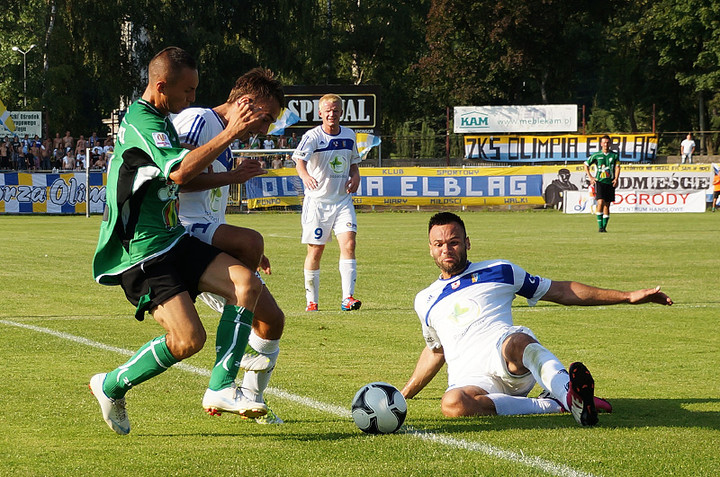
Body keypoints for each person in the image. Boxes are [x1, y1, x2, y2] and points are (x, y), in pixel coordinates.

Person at [89, 47, 272, 435]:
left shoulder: (161, 119)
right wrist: (231, 132)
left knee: (247, 283)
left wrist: (228, 170)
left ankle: (221, 387)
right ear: (161, 86)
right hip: (142, 251)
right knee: (189, 340)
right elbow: (179, 172)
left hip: (172, 239)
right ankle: (110, 385)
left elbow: (179, 175)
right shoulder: (143, 121)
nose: (192, 99)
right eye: (187, 91)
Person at [400, 212, 673, 426]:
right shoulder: (424, 300)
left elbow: (561, 290)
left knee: (517, 340)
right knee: (452, 405)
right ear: (430, 248)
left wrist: (627, 296)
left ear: (467, 243)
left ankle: (567, 392)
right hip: (471, 380)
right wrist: (404, 394)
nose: (446, 249)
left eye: (454, 242)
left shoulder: (500, 270)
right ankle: (555, 404)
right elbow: (436, 350)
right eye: (439, 244)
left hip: (507, 358)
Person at [172, 67, 286, 424]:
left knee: (273, 322)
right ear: (246, 102)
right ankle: (223, 379)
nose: (265, 129)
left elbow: (209, 200)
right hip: (181, 235)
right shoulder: (197, 120)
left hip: (208, 231)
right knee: (250, 240)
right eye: (266, 117)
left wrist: (241, 249)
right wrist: (233, 176)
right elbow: (175, 179)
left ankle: (251, 398)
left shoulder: (224, 134)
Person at [292, 94, 362, 312]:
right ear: (321, 113)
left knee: (349, 244)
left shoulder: (350, 135)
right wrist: (304, 176)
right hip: (317, 203)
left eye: (336, 110)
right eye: (328, 111)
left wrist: (356, 176)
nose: (332, 114)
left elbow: (353, 164)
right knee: (316, 251)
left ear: (342, 112)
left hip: (342, 201)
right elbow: (299, 161)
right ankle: (311, 301)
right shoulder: (312, 136)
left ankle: (347, 298)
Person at [584, 135, 620, 232]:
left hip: (610, 182)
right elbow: (586, 164)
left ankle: (604, 227)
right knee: (600, 202)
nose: (606, 144)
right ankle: (600, 227)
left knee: (607, 205)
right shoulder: (596, 155)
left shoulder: (614, 155)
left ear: (610, 143)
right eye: (604, 142)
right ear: (601, 144)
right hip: (600, 182)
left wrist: (616, 178)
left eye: (607, 142)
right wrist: (590, 177)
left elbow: (617, 167)